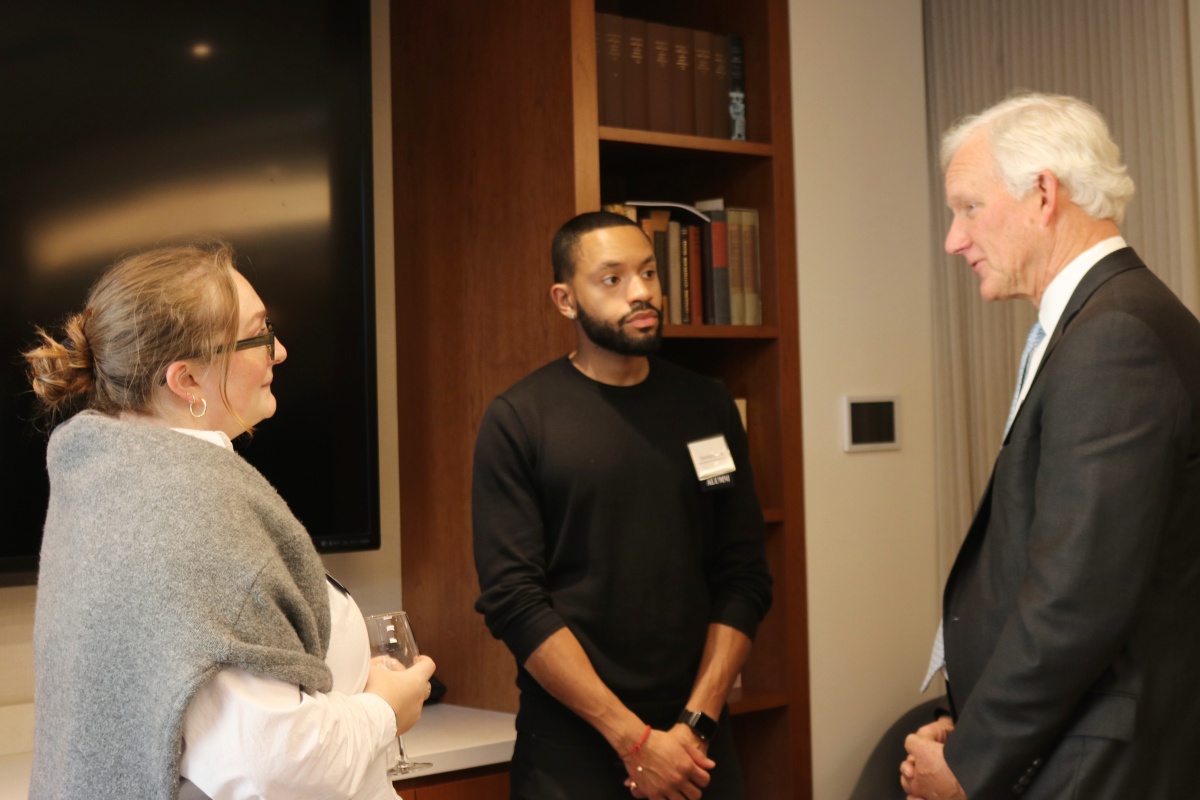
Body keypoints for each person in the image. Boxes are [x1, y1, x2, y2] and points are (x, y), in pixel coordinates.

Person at [25, 241, 436, 799]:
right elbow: (272, 765)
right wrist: (385, 709)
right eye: (260, 333)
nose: (281, 351)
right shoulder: (187, 515)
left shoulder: (111, 487)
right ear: (186, 380)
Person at [901, 93, 1200, 800]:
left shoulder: (1112, 338)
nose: (954, 239)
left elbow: (1076, 597)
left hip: (1096, 758)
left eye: (969, 207)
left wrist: (972, 761)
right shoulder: (1105, 319)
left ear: (1043, 194)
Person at [471, 211, 773, 800]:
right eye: (611, 279)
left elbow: (745, 575)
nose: (641, 293)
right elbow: (514, 602)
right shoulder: (521, 420)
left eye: (650, 273)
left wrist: (694, 724)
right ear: (565, 300)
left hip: (698, 749)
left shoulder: (706, 406)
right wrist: (632, 739)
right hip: (573, 753)